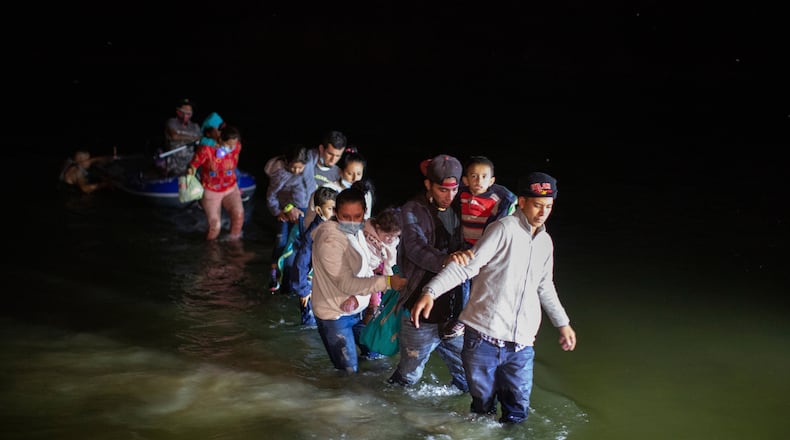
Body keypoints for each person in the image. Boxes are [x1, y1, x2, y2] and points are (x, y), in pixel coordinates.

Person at [411, 171, 577, 424]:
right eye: (537, 205)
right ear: (521, 202)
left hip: (521, 345)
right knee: (483, 408)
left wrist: (562, 324)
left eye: (549, 206)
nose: (543, 212)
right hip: (483, 340)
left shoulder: (545, 242)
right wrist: (430, 291)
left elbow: (545, 286)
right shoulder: (503, 229)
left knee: (517, 412)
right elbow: (468, 266)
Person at [386, 154, 470, 392]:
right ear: (428, 185)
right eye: (443, 189)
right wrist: (447, 260)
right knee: (408, 376)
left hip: (455, 312)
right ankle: (387, 409)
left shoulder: (461, 206)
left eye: (454, 189)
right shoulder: (412, 210)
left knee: (467, 375)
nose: (449, 196)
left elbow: (503, 196)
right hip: (419, 312)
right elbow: (415, 248)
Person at [311, 187, 407, 373]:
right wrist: (387, 282)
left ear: (365, 213)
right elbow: (346, 283)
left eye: (357, 216)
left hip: (356, 311)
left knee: (377, 357)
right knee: (348, 373)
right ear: (336, 213)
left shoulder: (358, 230)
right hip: (333, 315)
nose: (352, 222)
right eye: (346, 216)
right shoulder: (330, 241)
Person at [443, 155, 517, 339]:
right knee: (462, 282)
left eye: (484, 177)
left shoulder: (497, 199)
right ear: (466, 179)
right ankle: (461, 319)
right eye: (474, 176)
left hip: (486, 249)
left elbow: (502, 224)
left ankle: (479, 321)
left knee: (483, 284)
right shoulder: (461, 194)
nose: (478, 181)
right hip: (465, 245)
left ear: (492, 180)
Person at [338, 207, 402, 325]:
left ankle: (366, 327)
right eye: (388, 235)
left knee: (374, 304)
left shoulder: (391, 246)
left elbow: (390, 267)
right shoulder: (364, 235)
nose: (391, 239)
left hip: (376, 273)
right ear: (377, 228)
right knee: (373, 302)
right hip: (359, 271)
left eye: (395, 236)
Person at [186, 115, 245, 241]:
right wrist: (190, 172)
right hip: (211, 189)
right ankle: (210, 254)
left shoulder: (237, 146)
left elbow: (234, 153)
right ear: (220, 139)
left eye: (233, 145)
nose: (231, 148)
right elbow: (193, 164)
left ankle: (234, 246)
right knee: (215, 226)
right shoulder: (206, 149)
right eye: (228, 145)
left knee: (239, 216)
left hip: (230, 187)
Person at [263, 144, 312, 291]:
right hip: (286, 210)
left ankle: (303, 276)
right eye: (293, 167)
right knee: (281, 242)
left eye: (300, 168)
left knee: (303, 243)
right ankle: (274, 274)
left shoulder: (309, 164)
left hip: (306, 209)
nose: (297, 171)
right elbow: (271, 195)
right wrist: (278, 212)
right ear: (286, 162)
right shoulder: (280, 174)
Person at [289, 185, 338, 326]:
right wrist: (303, 290)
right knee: (311, 324)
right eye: (330, 209)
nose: (334, 213)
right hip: (310, 286)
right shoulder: (314, 233)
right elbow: (301, 261)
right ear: (318, 210)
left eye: (336, 209)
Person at [303, 147, 373, 228]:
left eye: (358, 174)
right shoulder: (326, 189)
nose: (354, 178)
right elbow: (309, 218)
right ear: (340, 171)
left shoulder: (365, 193)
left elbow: (365, 220)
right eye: (349, 173)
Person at [162, 98, 202, 176]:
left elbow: (200, 141)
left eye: (189, 113)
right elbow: (174, 136)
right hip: (174, 165)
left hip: (190, 164)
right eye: (183, 112)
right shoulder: (171, 122)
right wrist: (193, 138)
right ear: (178, 111)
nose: (185, 115)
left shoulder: (195, 126)